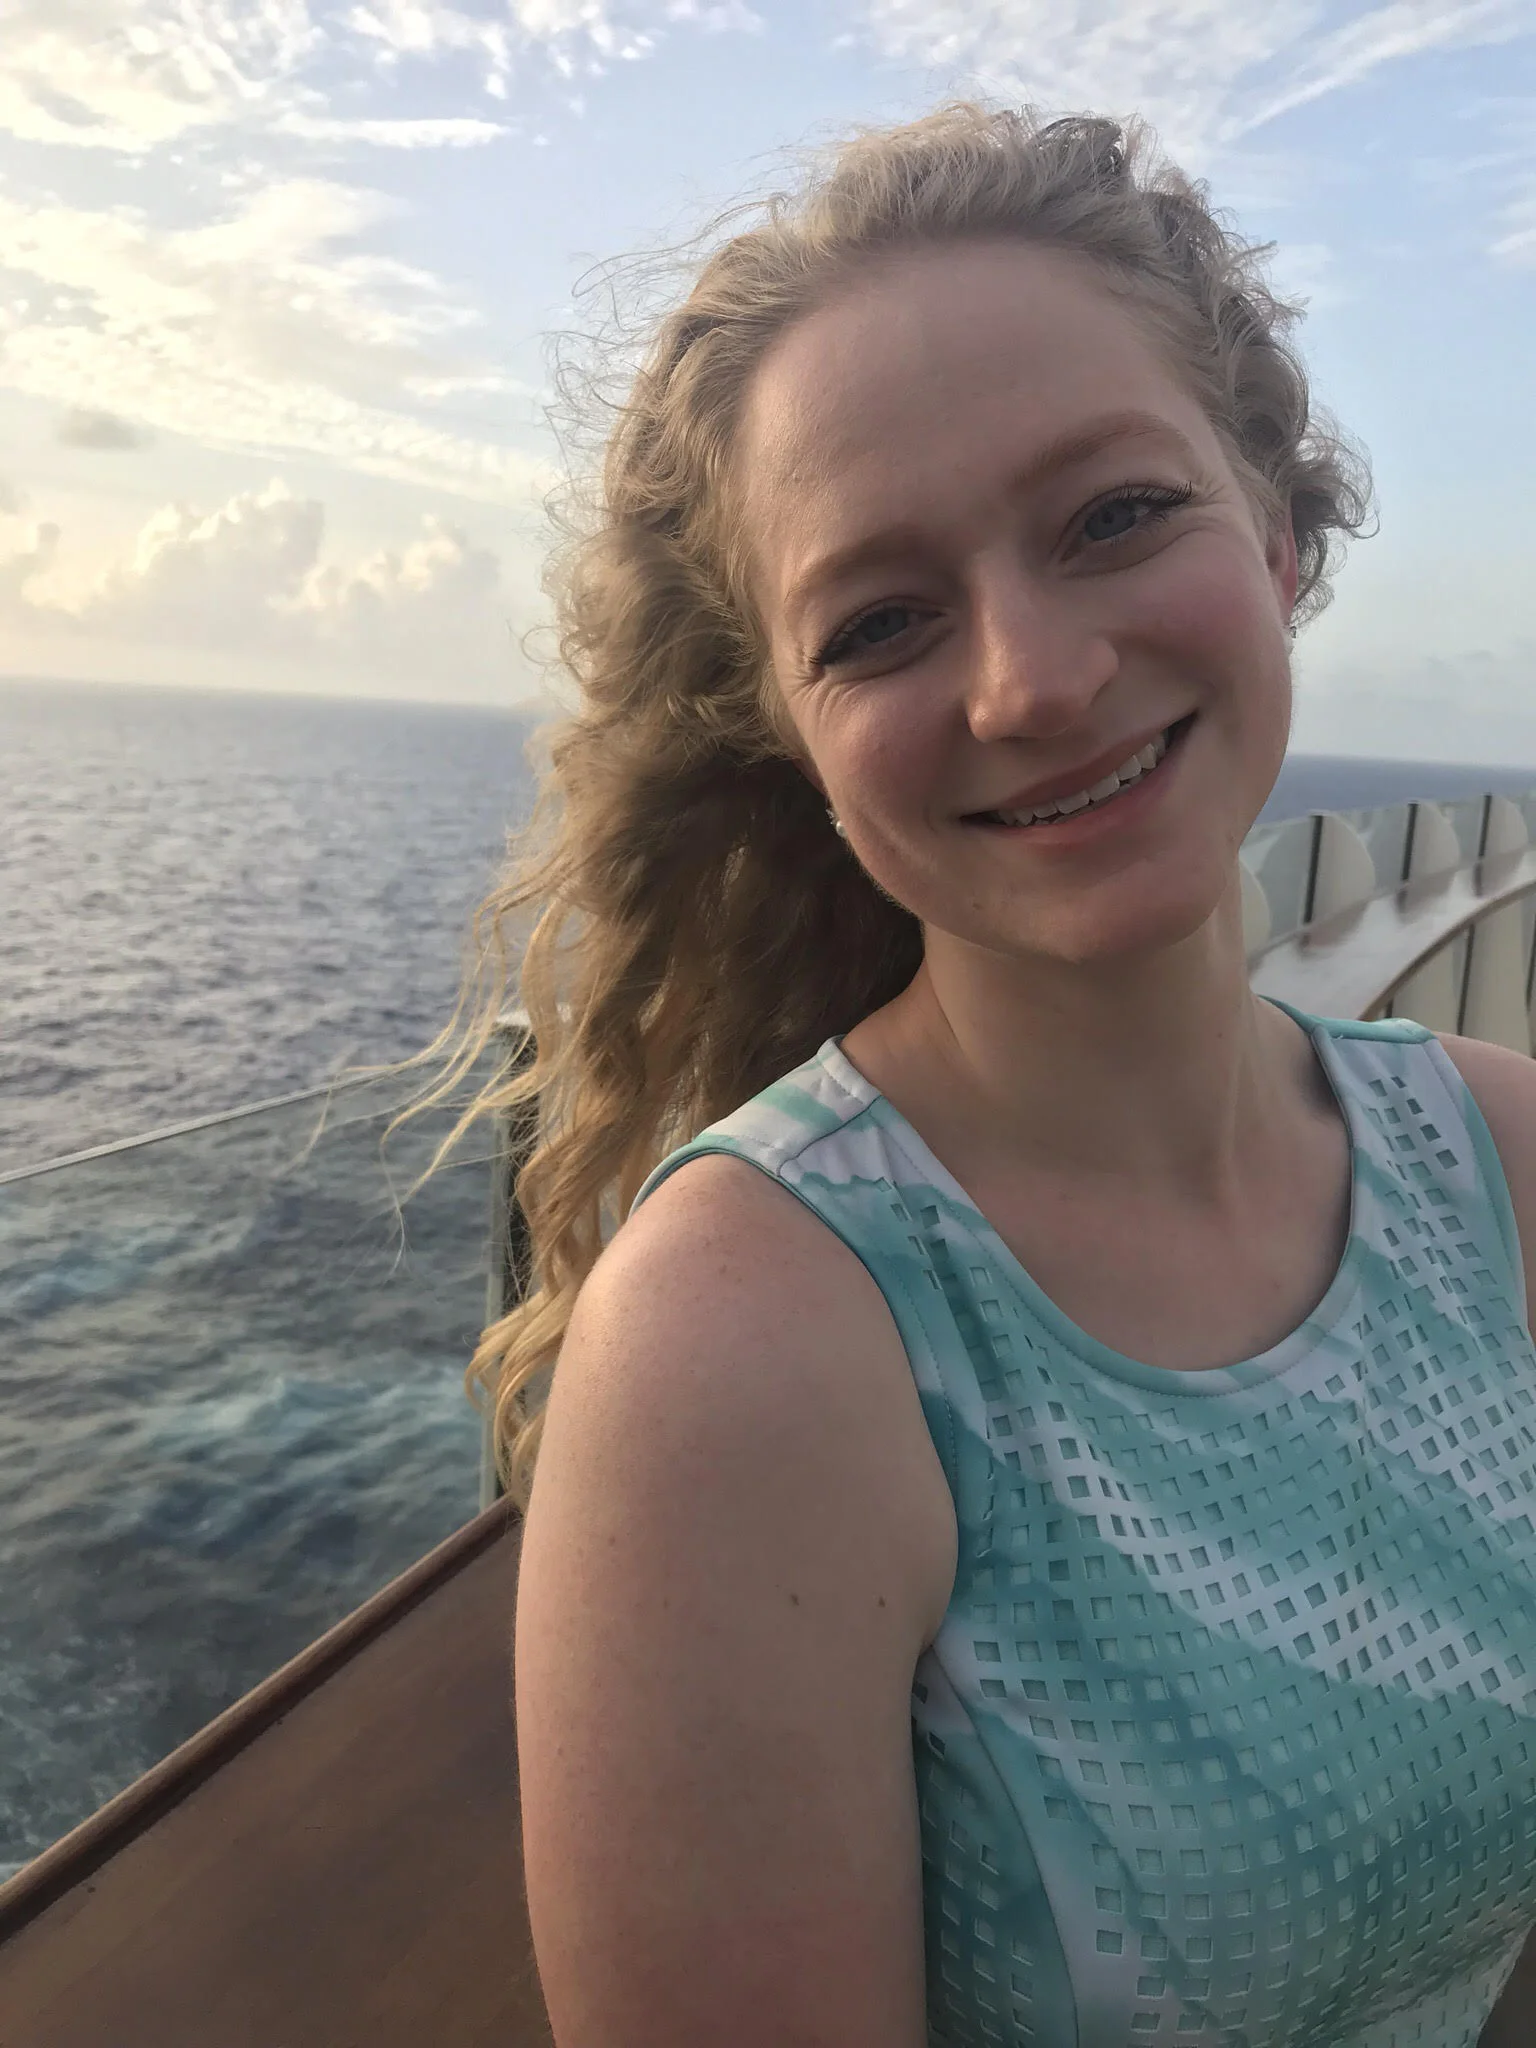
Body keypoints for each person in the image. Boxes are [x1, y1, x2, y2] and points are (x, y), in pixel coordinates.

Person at [456, 103, 1536, 2045]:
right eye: (879, 621)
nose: (1032, 678)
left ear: (1276, 537)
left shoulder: (1506, 1164)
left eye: (1113, 515)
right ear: (794, 739)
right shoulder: (749, 1353)